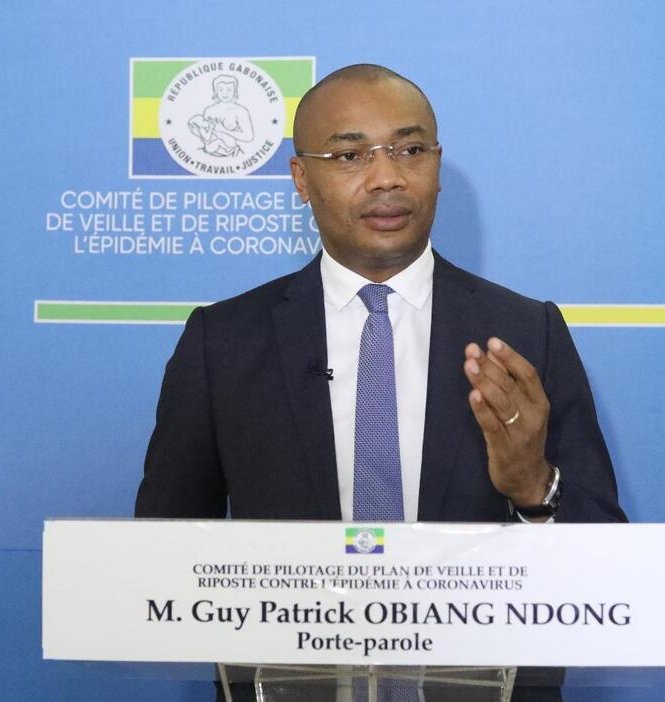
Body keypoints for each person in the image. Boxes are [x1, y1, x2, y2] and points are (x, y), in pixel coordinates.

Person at [136, 64, 626, 701]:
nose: (387, 177)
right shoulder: (224, 342)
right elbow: (164, 552)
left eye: (410, 150)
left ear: (437, 166)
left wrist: (533, 486)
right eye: (349, 155)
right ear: (301, 179)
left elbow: (610, 565)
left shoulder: (525, 333)